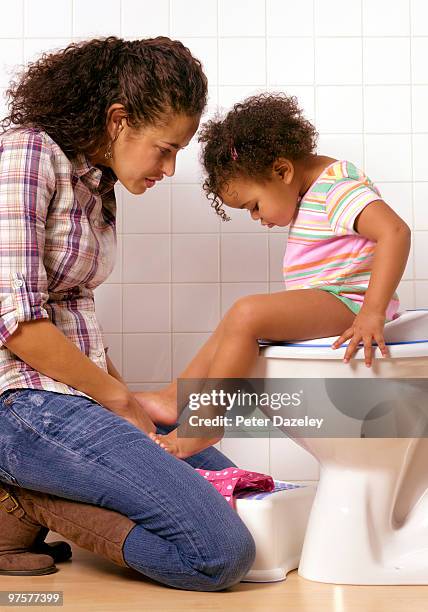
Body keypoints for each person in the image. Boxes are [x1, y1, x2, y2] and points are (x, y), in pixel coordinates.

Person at [0, 36, 256, 590]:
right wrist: (117, 399)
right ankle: (30, 500)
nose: (169, 166)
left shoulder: (97, 184)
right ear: (118, 120)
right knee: (220, 552)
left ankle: (38, 493)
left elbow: (75, 320)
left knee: (243, 490)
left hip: (73, 397)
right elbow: (18, 323)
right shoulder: (28, 154)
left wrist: (123, 395)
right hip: (22, 407)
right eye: (165, 148)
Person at [140, 92, 411, 459]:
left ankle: (205, 424)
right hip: (335, 300)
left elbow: (395, 232)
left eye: (253, 206)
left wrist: (372, 312)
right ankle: (174, 398)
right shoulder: (310, 191)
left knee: (246, 313)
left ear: (281, 171)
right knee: (236, 322)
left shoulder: (336, 187)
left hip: (351, 304)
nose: (257, 218)